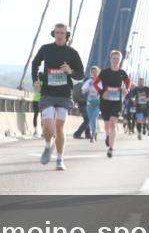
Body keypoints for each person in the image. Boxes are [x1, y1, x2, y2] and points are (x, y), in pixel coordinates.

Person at [29, 23, 85, 171]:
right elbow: (35, 63)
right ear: (54, 34)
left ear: (67, 36)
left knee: (59, 127)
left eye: (63, 33)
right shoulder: (46, 49)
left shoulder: (72, 53)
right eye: (57, 32)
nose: (60, 35)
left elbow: (81, 74)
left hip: (64, 95)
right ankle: (48, 145)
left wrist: (70, 71)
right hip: (47, 93)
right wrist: (35, 80)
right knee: (48, 126)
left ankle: (60, 160)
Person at [92, 50, 131, 158]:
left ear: (120, 60)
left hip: (117, 102)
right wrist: (102, 92)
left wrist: (125, 89)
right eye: (114, 59)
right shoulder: (104, 72)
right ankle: (108, 135)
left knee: (113, 123)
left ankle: (111, 149)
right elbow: (95, 83)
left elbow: (128, 82)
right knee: (107, 125)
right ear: (111, 59)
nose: (115, 61)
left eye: (117, 59)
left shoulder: (122, 73)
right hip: (105, 102)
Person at [71, 71, 92, 141]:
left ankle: (88, 134)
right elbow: (87, 98)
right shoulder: (86, 87)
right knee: (87, 120)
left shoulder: (79, 85)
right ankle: (77, 134)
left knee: (86, 120)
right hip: (84, 105)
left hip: (80, 105)